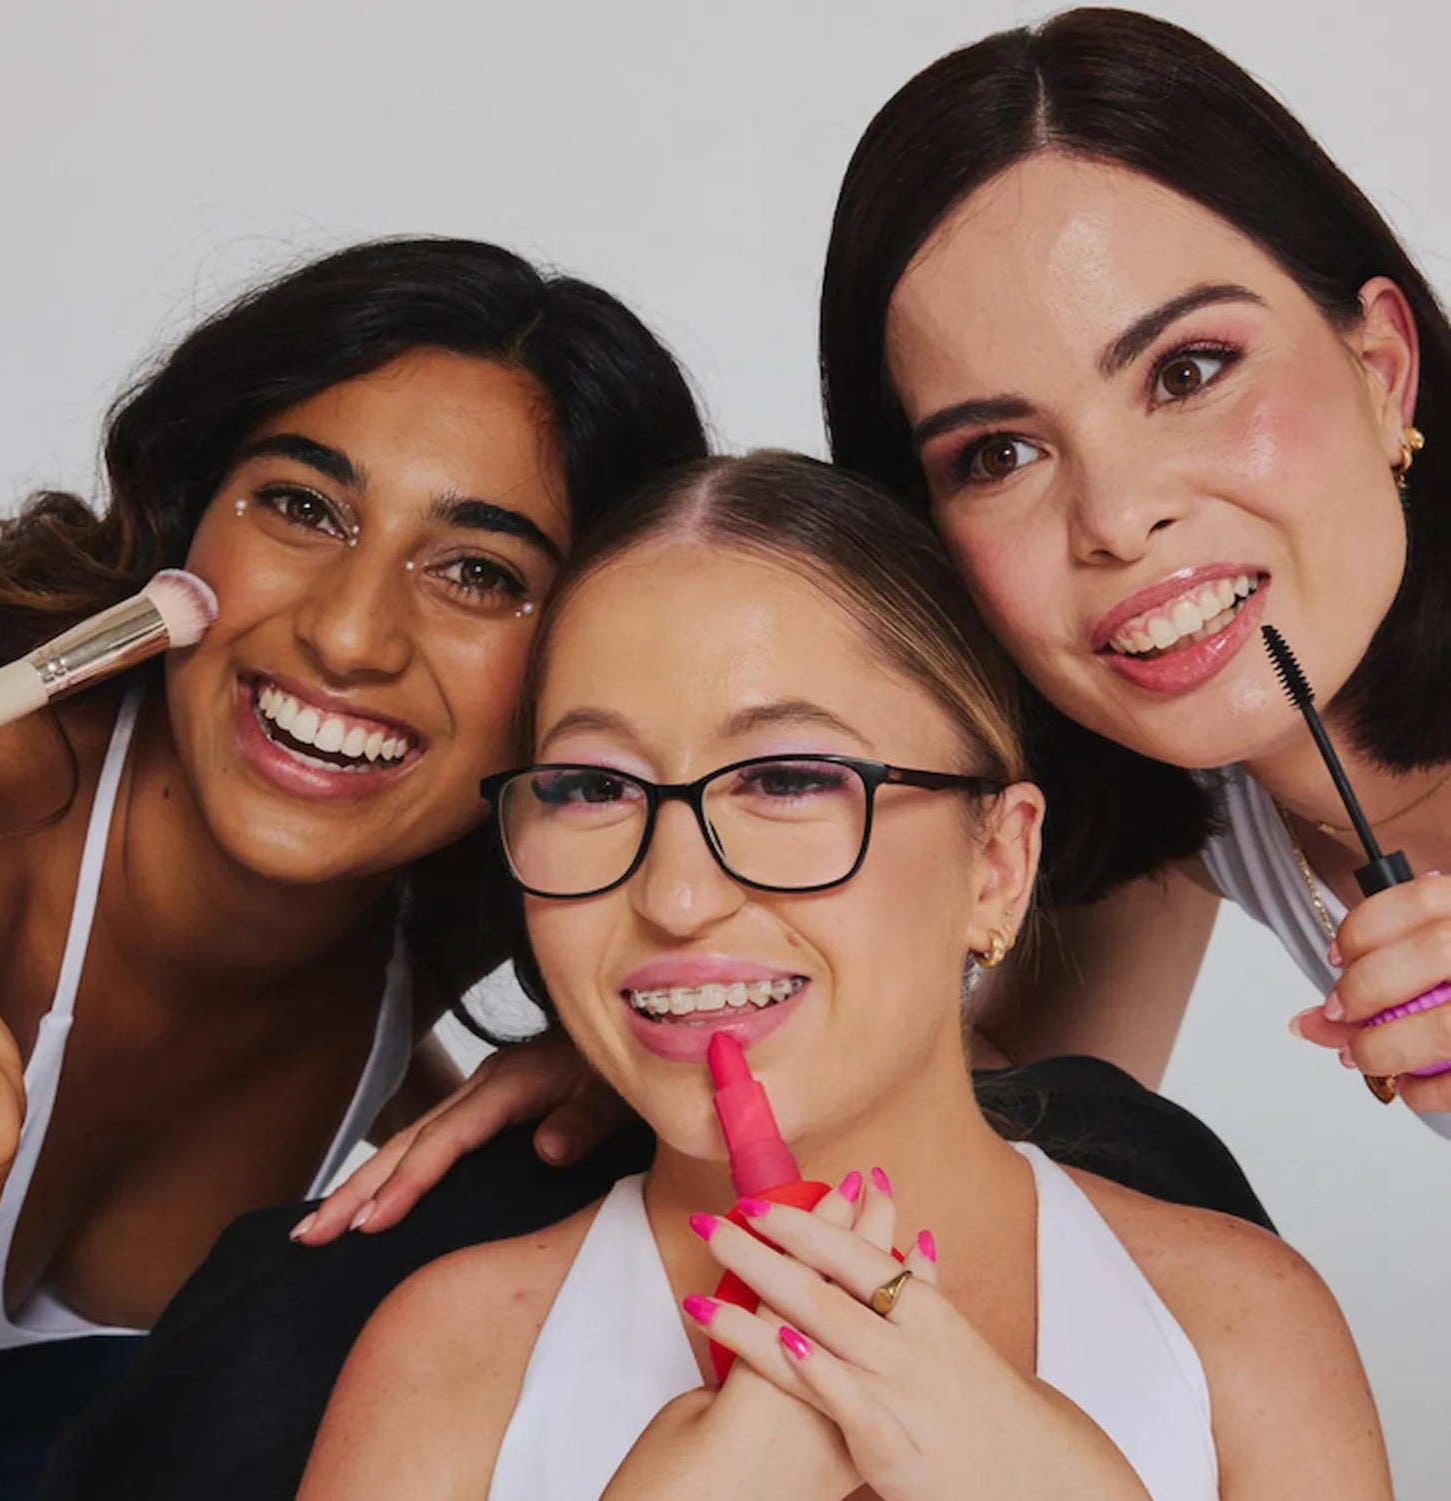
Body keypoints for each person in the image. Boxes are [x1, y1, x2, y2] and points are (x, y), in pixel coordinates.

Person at [297, 452, 1389, 1501]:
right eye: (591, 789)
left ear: (998, 866)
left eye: (785, 778)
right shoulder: (449, 1358)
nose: (676, 899)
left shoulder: (1240, 1328)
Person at [0, 234, 706, 1494]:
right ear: (193, 515)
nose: (350, 634)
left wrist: (620, 1059)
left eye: (478, 573)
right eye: (303, 508)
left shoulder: (430, 937)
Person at [817, 6, 1451, 1125]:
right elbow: (1015, 1117)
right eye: (998, 454)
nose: (1115, 517)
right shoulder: (1195, 772)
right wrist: (662, 1061)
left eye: (1189, 371)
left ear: (1381, 368)